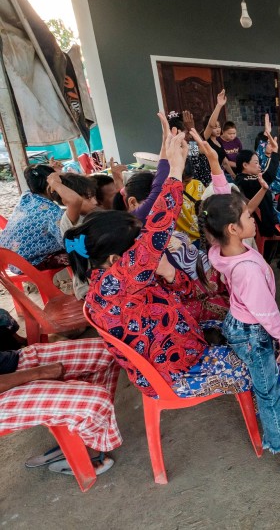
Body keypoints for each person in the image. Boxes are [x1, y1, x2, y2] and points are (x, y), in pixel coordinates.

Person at [71, 129, 252, 401]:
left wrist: (170, 275)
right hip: (176, 371)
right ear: (115, 259)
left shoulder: (114, 278)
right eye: (139, 245)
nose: (148, 248)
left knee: (234, 310)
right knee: (268, 357)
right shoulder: (116, 283)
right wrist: (174, 172)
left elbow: (186, 293)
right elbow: (158, 228)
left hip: (174, 341)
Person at [202, 192, 280, 477]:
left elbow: (221, 211)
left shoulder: (223, 250)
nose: (254, 217)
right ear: (232, 228)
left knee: (268, 386)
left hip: (242, 324)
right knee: (267, 396)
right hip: (252, 333)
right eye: (247, 216)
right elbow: (266, 311)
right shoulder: (247, 270)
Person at [0, 339, 120, 476]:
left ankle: (79, 436)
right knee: (95, 402)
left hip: (9, 363)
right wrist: (39, 373)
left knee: (110, 350)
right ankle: (90, 449)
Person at [0, 164, 65, 269]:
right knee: (78, 251)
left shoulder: (27, 196)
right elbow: (66, 242)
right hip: (28, 265)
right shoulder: (52, 212)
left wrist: (56, 172)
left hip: (9, 259)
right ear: (51, 187)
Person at [47, 172, 99, 299]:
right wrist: (54, 183)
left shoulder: (89, 215)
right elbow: (75, 200)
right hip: (87, 288)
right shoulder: (70, 221)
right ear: (66, 200)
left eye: (94, 196)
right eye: (88, 198)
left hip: (99, 281)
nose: (95, 201)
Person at [233, 149, 279, 237]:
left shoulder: (248, 179)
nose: (259, 166)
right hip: (264, 228)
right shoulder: (244, 180)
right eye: (256, 163)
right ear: (245, 165)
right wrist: (275, 154)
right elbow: (267, 176)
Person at [203, 90, 235, 180]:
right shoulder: (205, 139)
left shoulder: (218, 142)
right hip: (209, 177)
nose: (218, 129)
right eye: (215, 127)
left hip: (220, 175)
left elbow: (225, 162)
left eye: (219, 127)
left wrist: (233, 175)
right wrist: (219, 105)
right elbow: (210, 125)